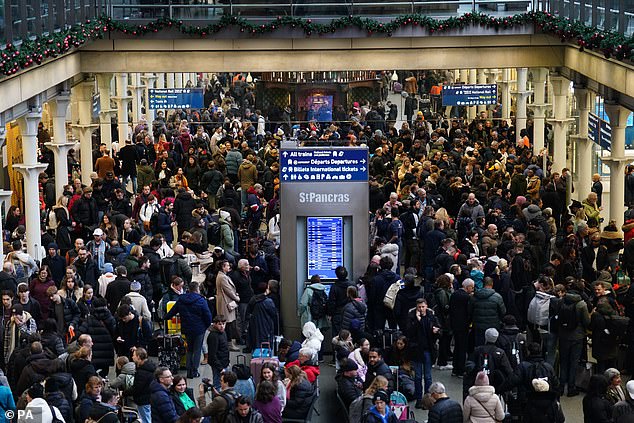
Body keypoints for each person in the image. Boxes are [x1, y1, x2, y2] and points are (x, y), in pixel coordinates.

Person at [165, 281, 213, 379]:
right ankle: (195, 371)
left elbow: (172, 312)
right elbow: (208, 316)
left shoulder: (181, 300)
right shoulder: (201, 300)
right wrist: (206, 326)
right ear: (197, 289)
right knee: (197, 350)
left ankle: (189, 371)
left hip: (186, 329)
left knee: (189, 350)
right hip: (199, 330)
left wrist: (165, 318)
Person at [407, 298, 440, 408]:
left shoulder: (431, 317)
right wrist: (417, 320)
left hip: (428, 349)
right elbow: (410, 332)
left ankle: (427, 398)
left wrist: (436, 331)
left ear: (426, 306)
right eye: (419, 307)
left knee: (428, 376)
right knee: (417, 376)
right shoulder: (412, 317)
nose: (421, 309)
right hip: (417, 350)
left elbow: (439, 330)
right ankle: (419, 398)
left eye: (423, 306)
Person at [216, 260, 241, 352]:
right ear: (223, 267)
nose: (229, 267)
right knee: (228, 324)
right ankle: (229, 343)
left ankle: (228, 342)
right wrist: (236, 298)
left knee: (227, 323)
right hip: (226, 303)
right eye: (227, 265)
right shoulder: (223, 277)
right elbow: (228, 290)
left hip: (224, 302)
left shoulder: (222, 276)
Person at [131, 347, 155, 423]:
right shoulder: (149, 367)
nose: (132, 357)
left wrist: (124, 393)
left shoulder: (142, 372)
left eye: (134, 355)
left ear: (138, 357)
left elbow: (137, 388)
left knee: (145, 419)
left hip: (143, 399)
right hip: (148, 398)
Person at [207, 315, 230, 390]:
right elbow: (212, 355)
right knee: (217, 385)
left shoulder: (223, 333)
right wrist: (220, 368)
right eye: (219, 324)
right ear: (214, 324)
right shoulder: (213, 336)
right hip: (218, 366)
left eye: (223, 324)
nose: (222, 326)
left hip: (224, 363)